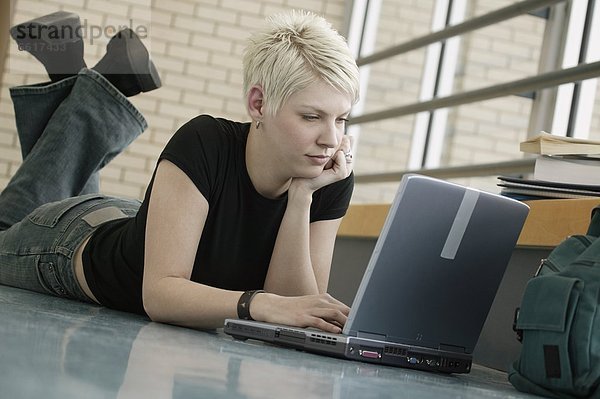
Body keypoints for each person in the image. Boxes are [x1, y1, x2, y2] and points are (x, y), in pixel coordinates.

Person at [0, 9, 359, 334]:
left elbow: (296, 312)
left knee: (67, 178)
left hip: (140, 225)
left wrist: (300, 198)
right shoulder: (206, 141)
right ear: (258, 104)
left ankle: (85, 82)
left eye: (341, 119)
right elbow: (160, 296)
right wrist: (257, 303)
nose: (331, 138)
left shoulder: (326, 177)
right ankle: (87, 84)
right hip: (69, 244)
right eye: (311, 117)